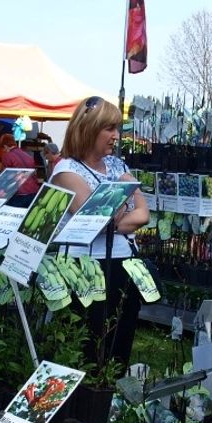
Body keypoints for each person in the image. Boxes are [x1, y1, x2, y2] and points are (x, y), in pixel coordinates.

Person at [51, 96, 150, 370]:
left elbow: (143, 213)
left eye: (117, 128)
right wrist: (122, 205)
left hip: (123, 263)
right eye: (109, 129)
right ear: (88, 128)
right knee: (88, 343)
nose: (115, 136)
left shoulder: (119, 167)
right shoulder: (66, 171)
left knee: (121, 337)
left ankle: (110, 398)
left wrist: (116, 220)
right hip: (84, 266)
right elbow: (95, 217)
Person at [0, 133, 41, 207]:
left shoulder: (7, 156)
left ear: (5, 146)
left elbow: (5, 177)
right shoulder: (27, 155)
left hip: (18, 193)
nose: (4, 151)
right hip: (33, 191)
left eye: (3, 148)